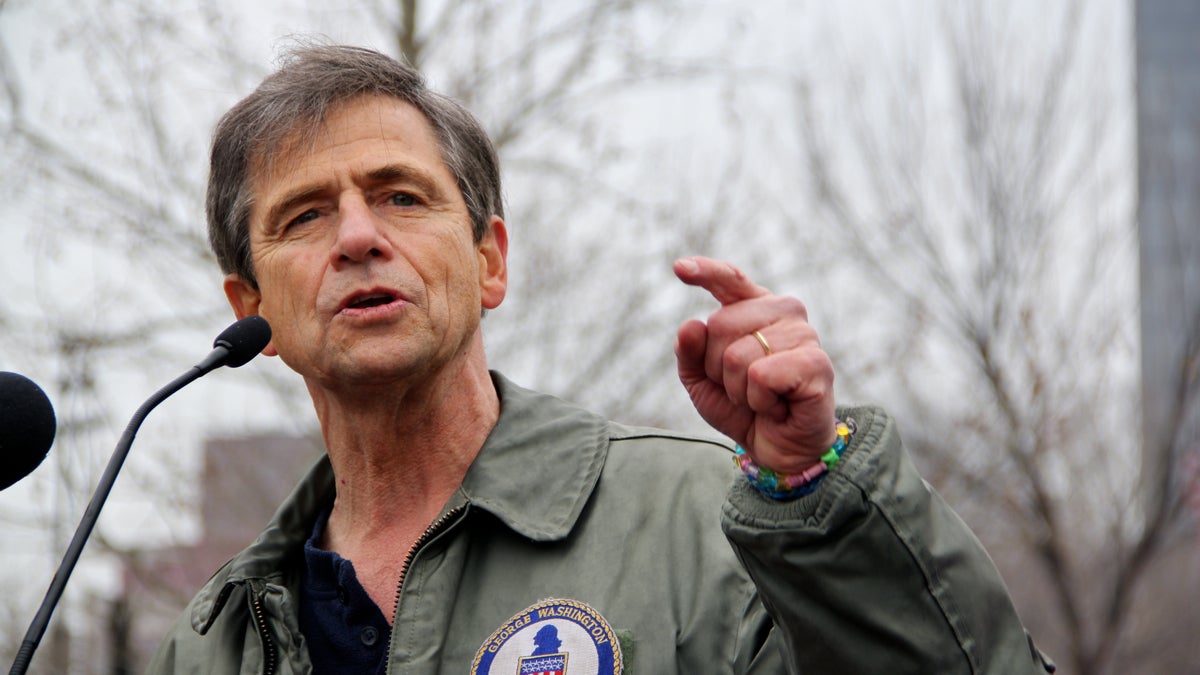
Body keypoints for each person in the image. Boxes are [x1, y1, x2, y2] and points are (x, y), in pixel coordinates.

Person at [148, 44, 1055, 674]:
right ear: (250, 306)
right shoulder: (214, 644)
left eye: (400, 196)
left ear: (490, 260)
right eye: (304, 215)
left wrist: (819, 492)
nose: (357, 236)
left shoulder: (708, 526)